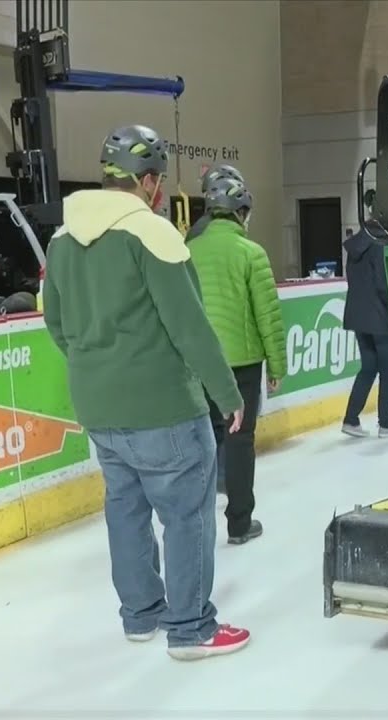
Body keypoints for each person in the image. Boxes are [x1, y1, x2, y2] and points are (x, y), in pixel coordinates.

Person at [41, 124, 251, 661]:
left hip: (100, 408)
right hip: (163, 408)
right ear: (151, 181)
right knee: (185, 515)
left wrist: (101, 369)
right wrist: (227, 393)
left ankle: (141, 617)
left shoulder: (62, 239)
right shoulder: (153, 233)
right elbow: (190, 327)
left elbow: (57, 324)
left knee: (125, 509)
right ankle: (191, 628)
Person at [186, 172, 285, 545]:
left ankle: (196, 526)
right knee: (240, 440)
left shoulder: (187, 250)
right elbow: (268, 315)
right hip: (241, 364)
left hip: (197, 362)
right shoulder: (251, 253)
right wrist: (277, 365)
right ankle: (239, 523)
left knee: (202, 438)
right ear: (241, 213)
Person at [340, 205, 388, 438]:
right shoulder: (380, 245)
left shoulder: (357, 245)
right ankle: (387, 423)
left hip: (358, 317)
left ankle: (351, 419)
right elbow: (383, 285)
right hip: (381, 319)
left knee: (368, 368)